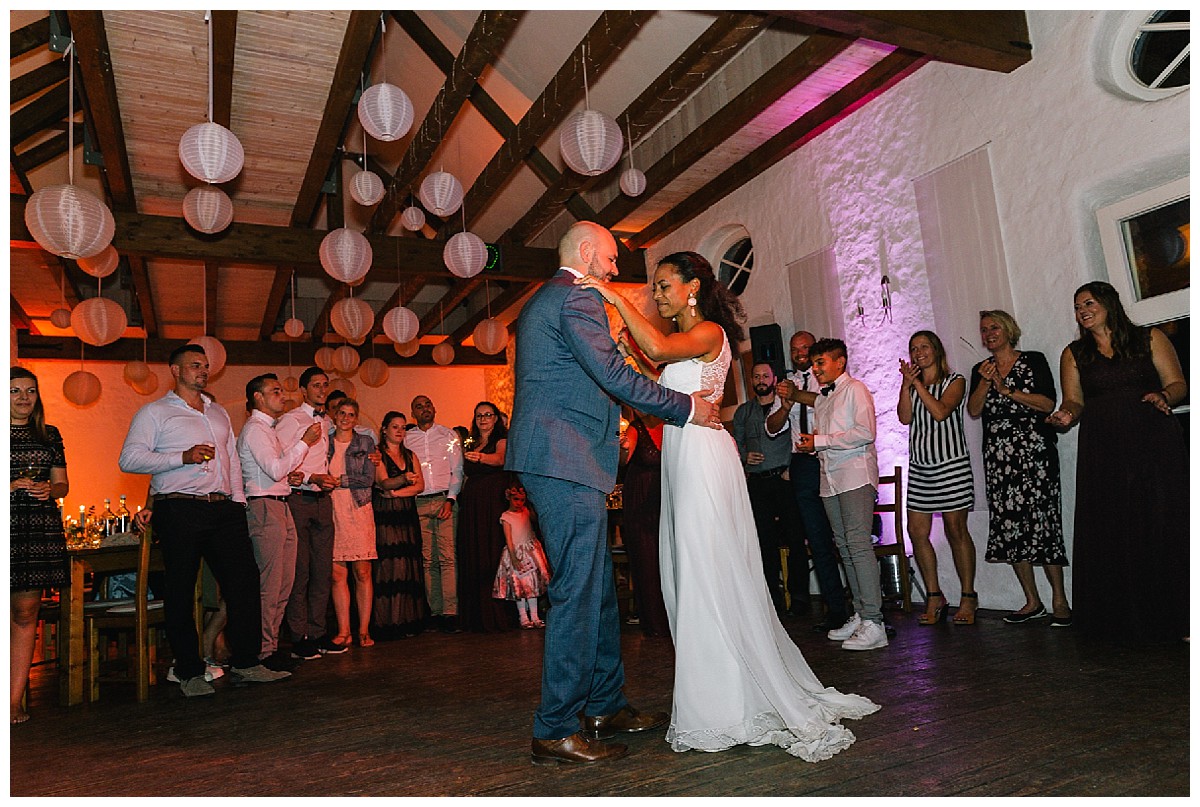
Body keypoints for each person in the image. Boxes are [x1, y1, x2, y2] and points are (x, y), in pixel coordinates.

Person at [578, 250, 879, 760]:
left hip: (702, 458)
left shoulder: (711, 332)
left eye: (664, 285)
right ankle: (718, 689)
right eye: (653, 287)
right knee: (691, 570)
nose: (657, 294)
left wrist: (611, 297)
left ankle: (723, 701)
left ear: (692, 287)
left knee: (706, 569)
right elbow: (651, 367)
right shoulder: (680, 344)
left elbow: (653, 343)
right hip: (682, 452)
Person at [506, 221, 723, 767]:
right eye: (608, 260)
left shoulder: (544, 301)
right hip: (564, 458)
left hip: (563, 458)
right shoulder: (575, 299)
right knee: (578, 592)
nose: (613, 271)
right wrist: (688, 408)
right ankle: (555, 726)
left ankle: (604, 705)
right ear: (585, 254)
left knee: (597, 587)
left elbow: (598, 374)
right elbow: (612, 375)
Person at [119, 344, 290, 697]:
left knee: (244, 582)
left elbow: (229, 459)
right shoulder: (155, 413)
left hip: (223, 508)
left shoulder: (217, 414)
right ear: (175, 370)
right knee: (180, 588)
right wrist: (181, 457)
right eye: (195, 365)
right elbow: (130, 459)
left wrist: (238, 502)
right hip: (180, 507)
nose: (203, 371)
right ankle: (188, 670)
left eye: (206, 366)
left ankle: (246, 662)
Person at [1047, 282, 1188, 642]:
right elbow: (1074, 401)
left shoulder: (1148, 339)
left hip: (1153, 441)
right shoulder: (1075, 353)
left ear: (1109, 303)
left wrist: (1163, 395)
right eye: (1077, 307)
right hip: (1105, 449)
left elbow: (1178, 383)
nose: (1082, 311)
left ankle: (1181, 615)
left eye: (1088, 303)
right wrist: (1065, 415)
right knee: (1116, 525)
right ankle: (1123, 621)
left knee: (1162, 520)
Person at [967, 310, 1070, 625]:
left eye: (994, 327)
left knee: (1043, 525)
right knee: (1011, 527)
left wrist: (1008, 390)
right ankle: (1031, 601)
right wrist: (986, 382)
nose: (988, 334)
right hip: (999, 459)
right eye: (983, 330)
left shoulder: (1034, 360)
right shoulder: (979, 369)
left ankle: (1060, 600)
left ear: (1009, 329)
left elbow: (1047, 403)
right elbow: (973, 410)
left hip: (1034, 455)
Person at [794, 338, 888, 652]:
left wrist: (819, 440)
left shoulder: (855, 390)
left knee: (858, 544)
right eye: (814, 363)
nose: (815, 369)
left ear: (840, 362)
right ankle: (862, 614)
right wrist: (815, 445)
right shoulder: (821, 399)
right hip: (829, 478)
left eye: (821, 362)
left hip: (855, 475)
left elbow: (865, 433)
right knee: (844, 547)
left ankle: (876, 621)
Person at [237, 373, 321, 671]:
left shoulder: (268, 429)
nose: (283, 395)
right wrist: (303, 444)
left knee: (284, 583)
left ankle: (270, 647)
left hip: (279, 503)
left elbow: (277, 469)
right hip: (264, 507)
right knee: (270, 585)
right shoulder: (257, 429)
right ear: (258, 397)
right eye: (275, 391)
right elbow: (273, 469)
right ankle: (262, 650)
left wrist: (291, 474)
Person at [897, 331, 979, 626]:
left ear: (936, 350)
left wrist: (917, 383)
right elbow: (905, 418)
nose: (918, 352)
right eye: (913, 348)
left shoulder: (955, 381)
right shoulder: (911, 386)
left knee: (956, 530)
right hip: (921, 468)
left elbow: (942, 412)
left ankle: (968, 596)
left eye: (924, 347)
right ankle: (934, 594)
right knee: (917, 532)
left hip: (951, 465)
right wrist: (906, 386)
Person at [769, 331, 849, 633]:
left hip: (830, 456)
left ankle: (864, 605)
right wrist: (786, 400)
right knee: (816, 538)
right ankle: (836, 610)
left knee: (842, 535)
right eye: (795, 349)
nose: (800, 353)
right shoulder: (786, 383)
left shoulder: (826, 378)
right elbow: (773, 427)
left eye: (805, 348)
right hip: (803, 463)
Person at [10, 367, 70, 724]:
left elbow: (62, 483)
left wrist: (51, 489)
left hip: (37, 527)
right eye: (14, 391)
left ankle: (13, 699)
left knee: (25, 612)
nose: (23, 398)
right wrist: (11, 484)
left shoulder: (50, 435)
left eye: (30, 391)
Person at [275, 367, 345, 660]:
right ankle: (298, 636)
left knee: (322, 571)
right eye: (316, 385)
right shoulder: (291, 420)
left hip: (323, 500)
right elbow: (278, 461)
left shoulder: (327, 420)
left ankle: (318, 633)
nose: (321, 389)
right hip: (298, 499)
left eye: (325, 385)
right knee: (300, 571)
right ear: (303, 390)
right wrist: (310, 478)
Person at [731, 362, 804, 618]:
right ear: (751, 380)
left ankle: (799, 599)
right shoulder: (742, 412)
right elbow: (734, 444)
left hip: (785, 480)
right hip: (758, 483)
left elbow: (799, 437)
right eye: (756, 376)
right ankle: (772, 601)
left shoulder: (789, 406)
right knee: (764, 543)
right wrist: (742, 456)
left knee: (796, 539)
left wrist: (791, 467)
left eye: (765, 375)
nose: (761, 379)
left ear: (774, 379)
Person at [404, 395, 463, 633]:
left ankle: (451, 613)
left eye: (428, 404)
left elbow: (457, 470)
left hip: (443, 500)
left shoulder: (449, 436)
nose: (425, 408)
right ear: (413, 412)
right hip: (418, 502)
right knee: (428, 560)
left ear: (434, 407)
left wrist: (451, 499)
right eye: (419, 406)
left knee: (448, 558)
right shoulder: (407, 438)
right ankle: (434, 612)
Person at [457, 401, 515, 633]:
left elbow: (500, 459)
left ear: (495, 419)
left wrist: (479, 458)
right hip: (473, 505)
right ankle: (475, 616)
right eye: (479, 415)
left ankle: (497, 614)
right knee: (473, 553)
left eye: (488, 415)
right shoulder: (472, 441)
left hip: (492, 504)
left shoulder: (500, 440)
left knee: (491, 553)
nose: (483, 419)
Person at [327, 398, 378, 648]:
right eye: (342, 413)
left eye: (351, 414)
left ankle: (364, 630)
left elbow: (368, 479)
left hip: (358, 507)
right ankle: (343, 630)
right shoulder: (323, 441)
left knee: (362, 571)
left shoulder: (365, 442)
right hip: (331, 509)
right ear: (334, 415)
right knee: (337, 574)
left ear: (356, 418)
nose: (346, 418)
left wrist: (339, 480)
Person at [617, 406, 670, 639]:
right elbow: (623, 460)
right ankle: (655, 621)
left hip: (667, 499)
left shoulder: (670, 427)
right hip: (641, 503)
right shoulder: (634, 429)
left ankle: (675, 617)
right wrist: (622, 448)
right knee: (647, 561)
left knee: (669, 558)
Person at [372, 411, 427, 639]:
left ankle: (408, 620)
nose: (399, 431)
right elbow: (383, 482)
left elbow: (420, 486)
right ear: (384, 429)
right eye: (395, 426)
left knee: (408, 565)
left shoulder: (411, 454)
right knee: (390, 566)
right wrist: (404, 481)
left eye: (403, 427)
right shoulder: (377, 454)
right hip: (386, 516)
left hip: (405, 512)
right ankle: (389, 622)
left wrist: (396, 493)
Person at [492, 477, 550, 629]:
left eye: (522, 500)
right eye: (516, 499)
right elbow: (509, 539)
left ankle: (535, 616)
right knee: (520, 587)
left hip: (531, 552)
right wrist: (513, 557)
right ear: (508, 497)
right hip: (516, 554)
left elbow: (534, 523)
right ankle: (523, 617)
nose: (519, 503)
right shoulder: (506, 517)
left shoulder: (526, 512)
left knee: (532, 586)